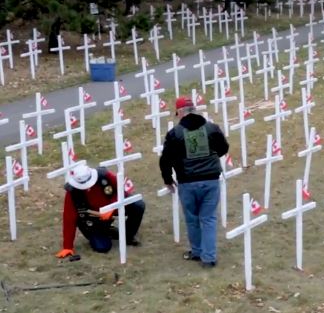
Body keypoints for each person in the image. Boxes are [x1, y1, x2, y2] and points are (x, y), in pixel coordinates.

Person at [160, 96, 230, 268]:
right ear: (194, 109)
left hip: (187, 182)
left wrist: (168, 179)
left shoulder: (175, 134)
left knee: (192, 218)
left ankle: (197, 251)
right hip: (211, 181)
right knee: (208, 219)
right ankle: (209, 258)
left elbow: (165, 160)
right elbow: (223, 148)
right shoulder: (212, 128)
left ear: (180, 112)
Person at [55, 162, 145, 259]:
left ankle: (128, 236)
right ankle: (107, 232)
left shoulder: (104, 175)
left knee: (138, 205)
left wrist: (112, 208)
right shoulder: (72, 192)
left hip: (112, 207)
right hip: (92, 221)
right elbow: (69, 218)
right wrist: (67, 246)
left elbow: (121, 190)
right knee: (102, 247)